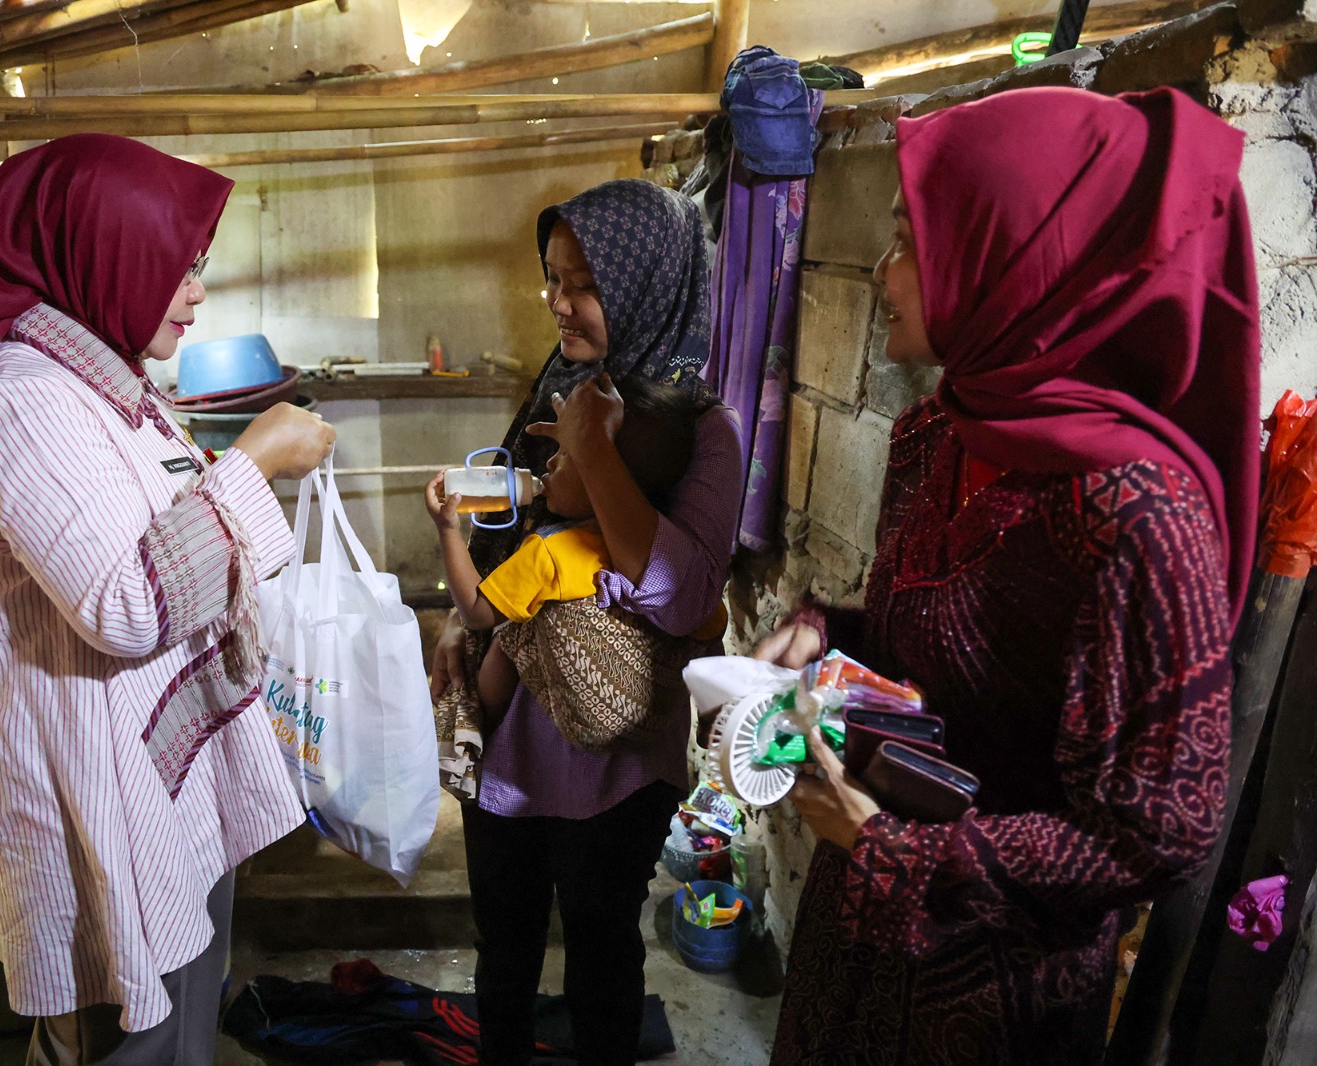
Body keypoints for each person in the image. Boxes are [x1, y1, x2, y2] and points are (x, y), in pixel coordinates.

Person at [753, 87, 1259, 1064]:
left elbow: (1153, 838)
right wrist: (825, 629)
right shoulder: (940, 431)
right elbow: (929, 646)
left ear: (1015, 265)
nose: (878, 267)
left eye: (909, 239)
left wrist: (900, 851)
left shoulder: (1136, 516)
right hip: (858, 922)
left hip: (989, 981)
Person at [0, 133, 335, 1066]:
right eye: (178, 266)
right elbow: (129, 603)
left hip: (156, 785)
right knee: (126, 1039)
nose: (195, 293)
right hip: (95, 807)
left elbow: (173, 537)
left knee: (182, 1020)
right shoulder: (19, 405)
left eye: (198, 268)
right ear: (98, 250)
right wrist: (254, 462)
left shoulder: (105, 388)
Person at [429, 178, 744, 1065]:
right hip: (511, 745)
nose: (560, 303)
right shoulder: (559, 390)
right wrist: (464, 627)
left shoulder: (702, 433)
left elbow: (681, 596)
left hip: (615, 761)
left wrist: (594, 449)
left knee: (603, 955)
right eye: (553, 279)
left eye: (583, 284)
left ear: (647, 286)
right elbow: (513, 548)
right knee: (507, 948)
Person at [425, 377, 719, 715]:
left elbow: (476, 612)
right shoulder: (669, 559)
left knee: (506, 638)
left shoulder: (552, 552)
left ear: (602, 471)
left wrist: (447, 529)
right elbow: (711, 628)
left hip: (540, 736)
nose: (548, 462)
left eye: (566, 453)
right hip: (644, 748)